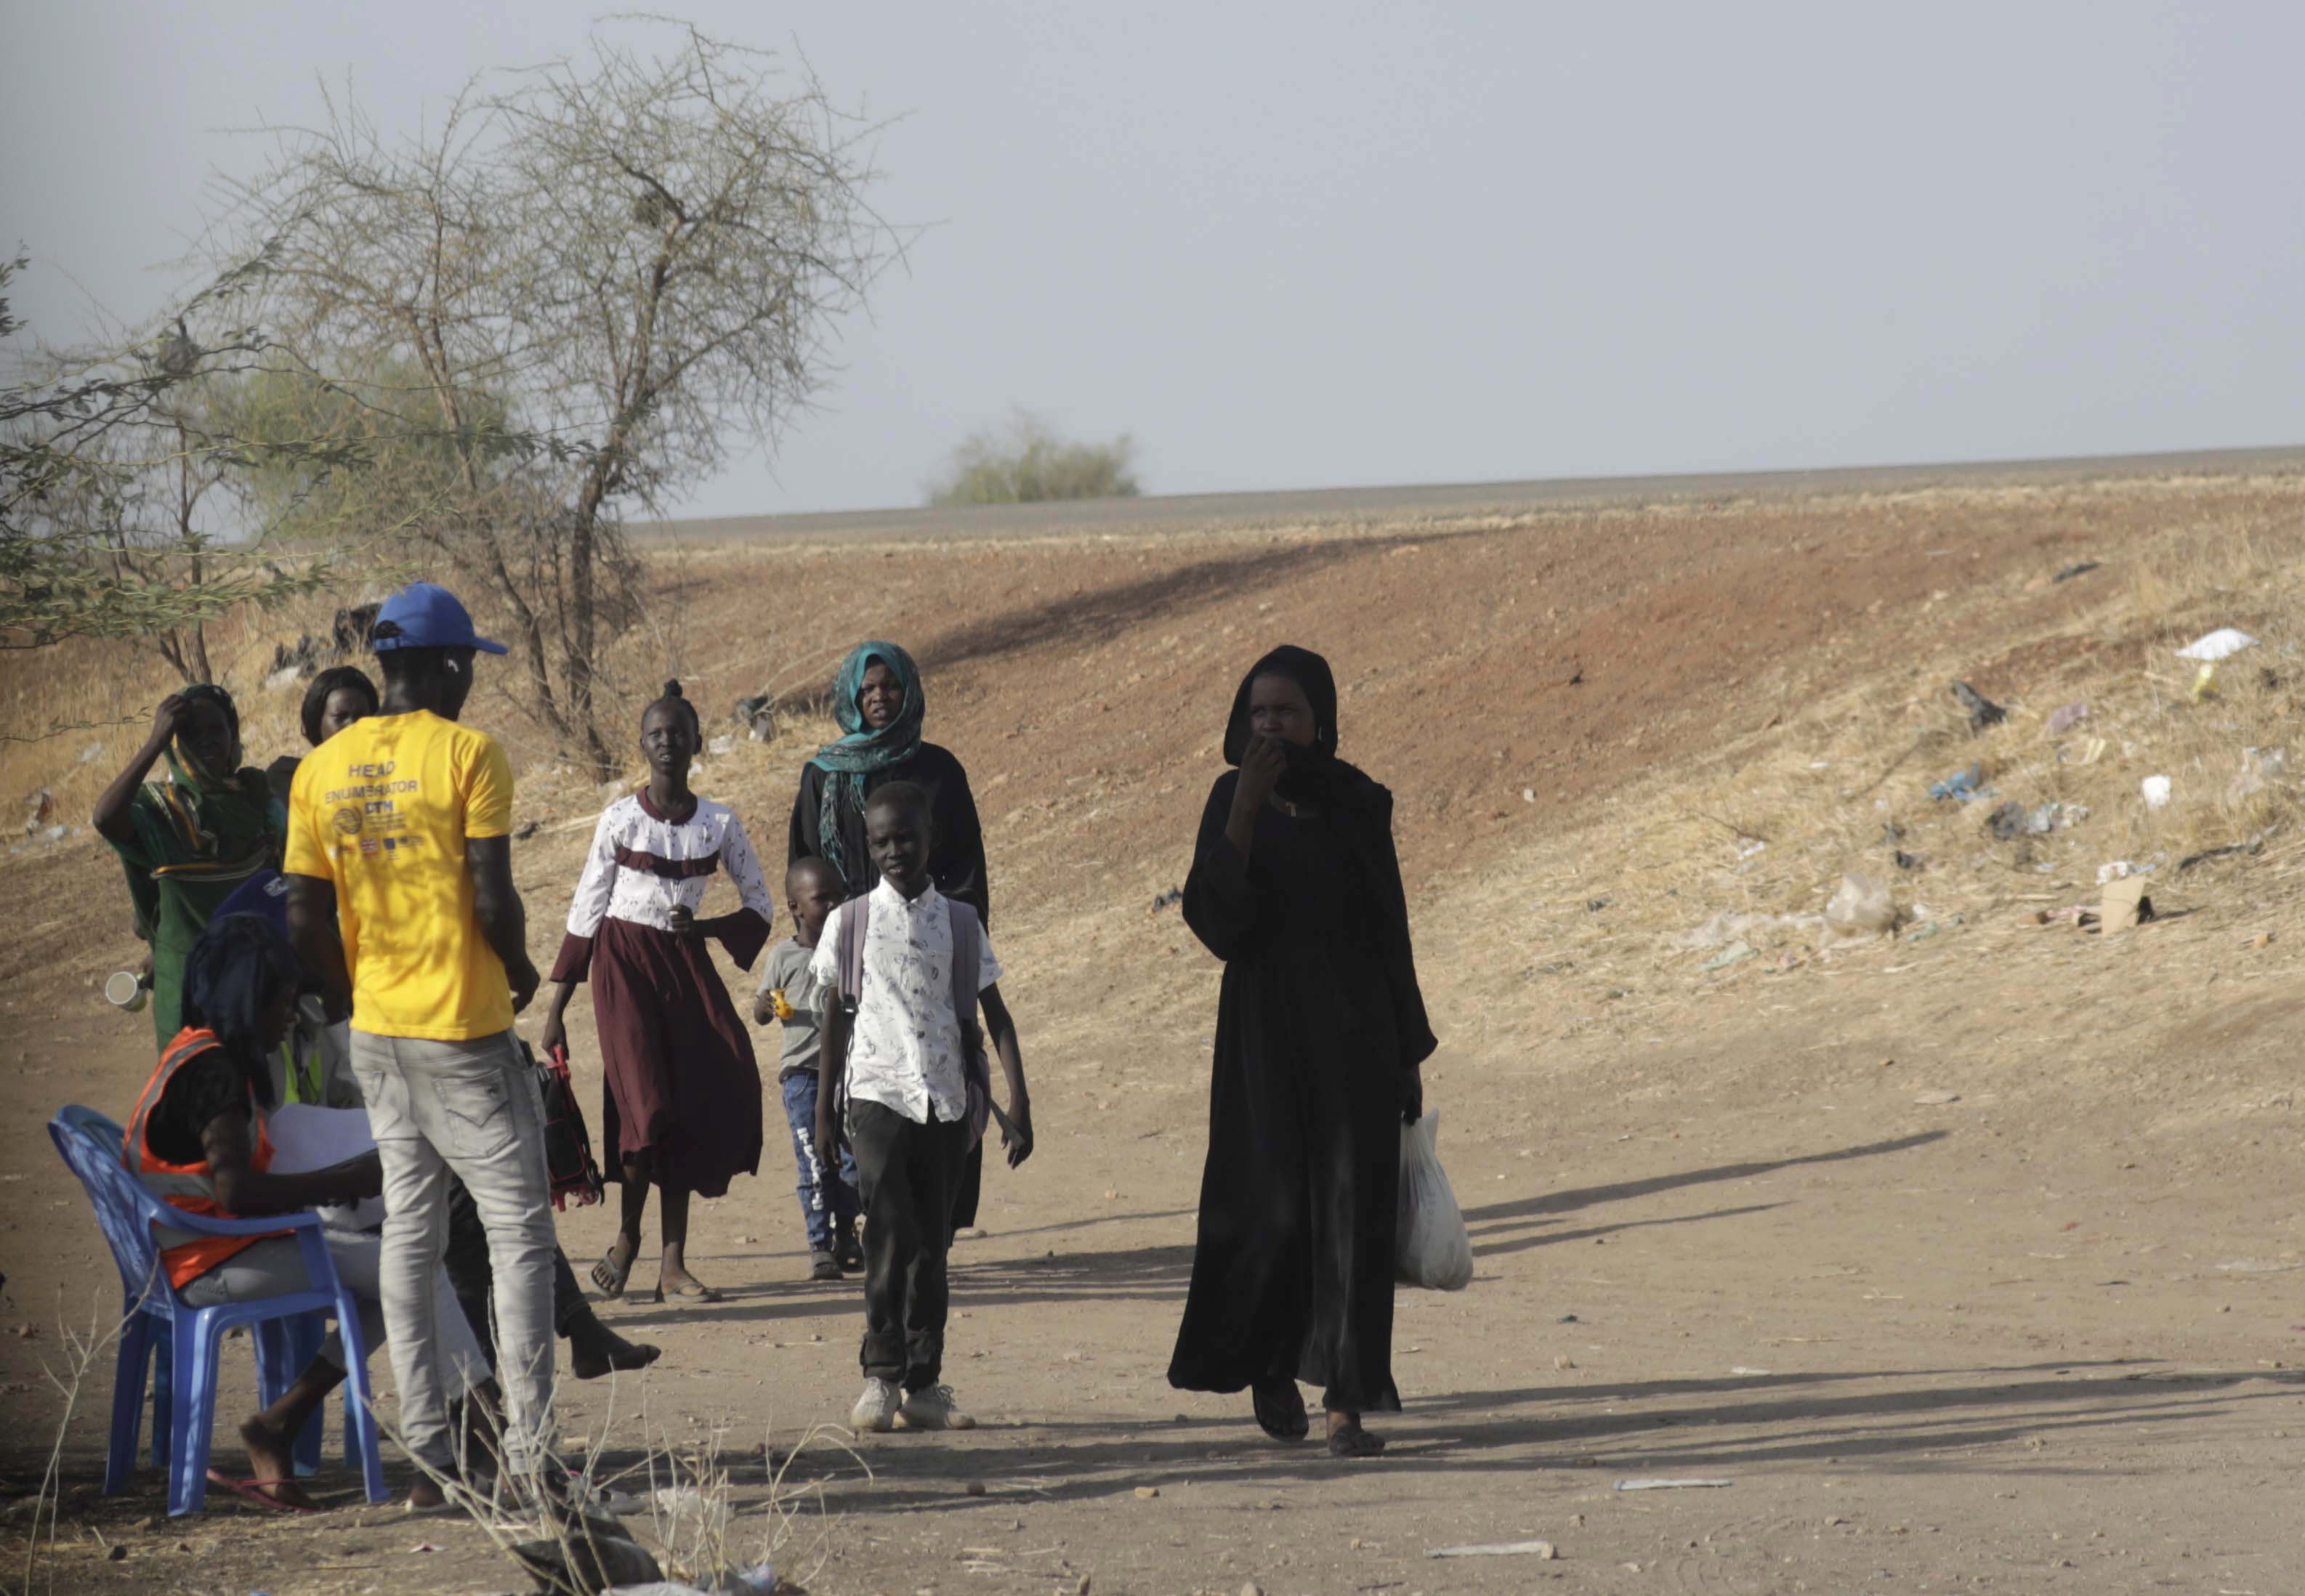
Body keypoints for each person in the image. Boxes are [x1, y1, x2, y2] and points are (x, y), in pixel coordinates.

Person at [230, 663, 657, 1378]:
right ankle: (496, 1395)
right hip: (350, 1069)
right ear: (313, 736)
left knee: (473, 1209)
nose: (365, 729)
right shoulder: (309, 838)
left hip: (406, 1040)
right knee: (470, 1219)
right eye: (343, 718)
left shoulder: (393, 827)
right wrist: (352, 1000)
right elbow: (297, 946)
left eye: (371, 714)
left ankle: (515, 1375)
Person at [283, 580, 560, 1500]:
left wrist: (356, 993)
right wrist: (517, 969)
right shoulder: (470, 753)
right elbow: (491, 896)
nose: (471, 682)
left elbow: (302, 916)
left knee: (411, 1231)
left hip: (380, 1036)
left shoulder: (320, 769)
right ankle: (527, 1445)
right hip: (465, 1036)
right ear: (445, 667)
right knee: (519, 1236)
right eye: (468, 665)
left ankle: (433, 1445)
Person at [122, 914, 493, 1512]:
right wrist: (346, 1178)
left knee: (392, 1277)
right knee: (414, 1266)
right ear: (249, 1001)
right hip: (209, 1260)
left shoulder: (194, 1049)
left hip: (201, 1248)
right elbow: (236, 1192)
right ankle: (484, 1425)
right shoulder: (215, 1073)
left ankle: (281, 1421)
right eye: (283, 1002)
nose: (290, 1017)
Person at [1166, 646, 1435, 1459]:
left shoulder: (1358, 803)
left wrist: (1408, 1049)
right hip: (1261, 1039)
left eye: (1285, 711)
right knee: (1271, 1213)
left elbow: (1389, 926)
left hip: (1353, 1038)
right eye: (1257, 713)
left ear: (1320, 720)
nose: (1270, 725)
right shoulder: (1226, 799)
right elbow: (1215, 923)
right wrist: (1244, 811)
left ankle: (1346, 1402)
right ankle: (1270, 1363)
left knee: (1354, 1220)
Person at [539, 681, 775, 1305]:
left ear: (697, 742)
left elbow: (761, 903)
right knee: (644, 1107)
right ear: (642, 746)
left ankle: (673, 1264)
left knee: (695, 1098)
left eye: (679, 732)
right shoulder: (618, 818)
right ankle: (627, 1237)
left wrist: (707, 927)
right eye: (656, 734)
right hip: (623, 966)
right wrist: (556, 1009)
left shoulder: (720, 823)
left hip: (684, 965)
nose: (668, 741)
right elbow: (587, 907)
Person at [814, 782, 1033, 1434]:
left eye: (905, 837)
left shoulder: (961, 922)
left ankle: (925, 1381)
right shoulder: (850, 921)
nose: (893, 850)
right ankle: (880, 1377)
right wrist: (826, 1110)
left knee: (931, 1247)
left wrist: (1017, 1101)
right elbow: (831, 1016)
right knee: (884, 1234)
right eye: (880, 841)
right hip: (876, 1095)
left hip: (945, 1101)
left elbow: (996, 1016)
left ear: (930, 837)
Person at [788, 641, 996, 1236]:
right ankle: (858, 1226)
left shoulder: (939, 771)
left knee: (940, 1082)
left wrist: (933, 929)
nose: (880, 697)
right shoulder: (822, 774)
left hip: (928, 957)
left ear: (910, 691)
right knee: (845, 1087)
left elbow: (967, 870)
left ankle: (932, 1223)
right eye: (869, 688)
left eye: (891, 686)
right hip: (855, 960)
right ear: (852, 698)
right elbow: (804, 867)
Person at [94, 684, 283, 1048]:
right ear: (174, 745)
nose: (207, 741)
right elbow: (105, 818)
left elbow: (280, 881)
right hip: (186, 987)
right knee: (196, 1090)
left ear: (234, 736)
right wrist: (154, 742)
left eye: (217, 730)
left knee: (262, 1092)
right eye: (191, 735)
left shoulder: (259, 802)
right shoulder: (164, 812)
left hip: (254, 982)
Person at [753, 856, 863, 1281]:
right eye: (823, 899)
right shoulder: (783, 956)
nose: (835, 905)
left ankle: (847, 1235)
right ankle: (819, 1245)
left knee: (851, 1159)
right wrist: (765, 1006)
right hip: (802, 1074)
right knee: (815, 1162)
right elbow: (765, 1010)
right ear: (795, 908)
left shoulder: (850, 950)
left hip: (849, 1073)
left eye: (840, 896)